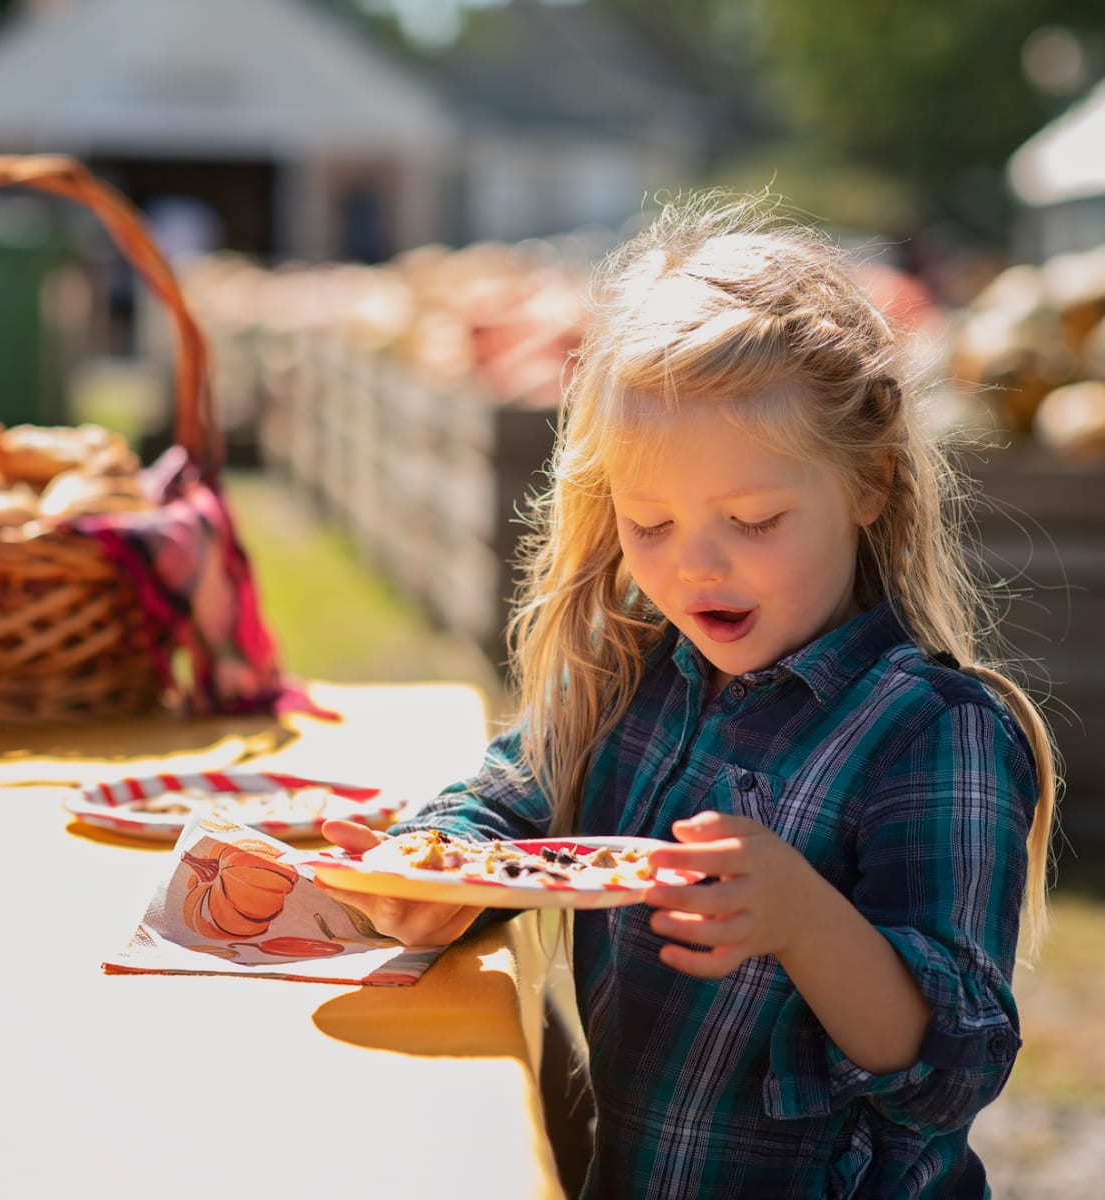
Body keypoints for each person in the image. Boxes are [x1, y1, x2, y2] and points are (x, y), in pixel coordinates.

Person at [322, 192, 1059, 1198]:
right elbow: (510, 796)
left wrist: (805, 922)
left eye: (753, 519)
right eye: (650, 523)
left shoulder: (932, 732)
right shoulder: (636, 673)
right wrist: (425, 872)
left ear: (870, 483)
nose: (696, 567)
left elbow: (954, 1061)